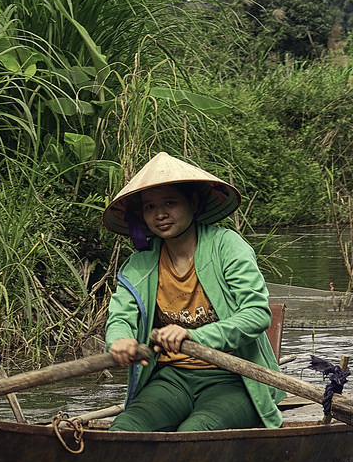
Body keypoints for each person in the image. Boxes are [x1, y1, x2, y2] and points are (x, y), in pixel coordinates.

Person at [102, 152, 283, 432]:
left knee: (193, 433)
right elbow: (121, 317)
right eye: (150, 207)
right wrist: (120, 340)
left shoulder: (226, 246)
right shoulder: (140, 265)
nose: (160, 214)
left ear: (193, 203)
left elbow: (257, 315)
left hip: (233, 377)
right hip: (172, 378)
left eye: (170, 203)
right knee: (124, 429)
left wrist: (193, 335)